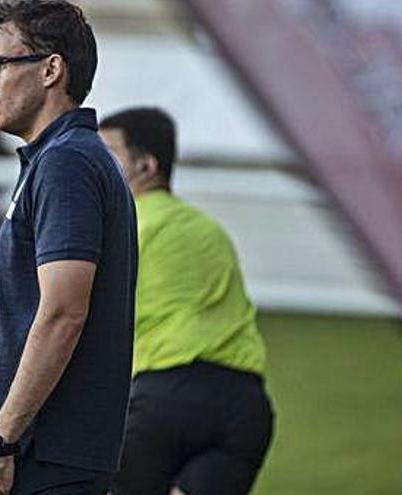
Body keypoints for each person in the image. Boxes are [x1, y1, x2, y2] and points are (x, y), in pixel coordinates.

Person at [0, 2, 137, 495]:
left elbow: (63, 312)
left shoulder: (68, 164)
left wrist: (2, 440)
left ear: (51, 69)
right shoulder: (58, 159)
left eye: (0, 62)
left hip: (45, 453)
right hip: (46, 450)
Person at [99, 107, 274, 495]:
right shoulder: (210, 230)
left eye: (108, 155)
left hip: (164, 401)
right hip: (245, 407)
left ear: (146, 166)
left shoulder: (120, 225)